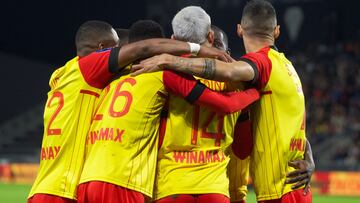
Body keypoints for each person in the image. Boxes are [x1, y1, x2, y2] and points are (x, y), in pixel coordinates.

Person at [28, 19, 238, 203]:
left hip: (75, 182)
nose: (120, 54)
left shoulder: (69, 75)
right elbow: (221, 104)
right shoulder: (155, 73)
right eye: (115, 48)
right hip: (109, 181)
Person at [131, 0, 316, 202]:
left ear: (239, 30)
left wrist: (168, 59)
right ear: (277, 31)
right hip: (221, 188)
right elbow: (245, 145)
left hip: (171, 185)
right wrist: (309, 156)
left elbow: (228, 72)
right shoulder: (279, 69)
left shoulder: (162, 76)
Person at [76, 19, 260, 203]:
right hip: (129, 179)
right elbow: (228, 115)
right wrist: (253, 92)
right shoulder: (165, 74)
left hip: (92, 177)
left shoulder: (110, 80)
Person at [152, 7, 255, 203]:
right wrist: (252, 94)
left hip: (172, 185)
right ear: (210, 36)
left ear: (173, 39)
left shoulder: (166, 73)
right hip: (214, 187)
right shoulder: (235, 83)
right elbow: (243, 150)